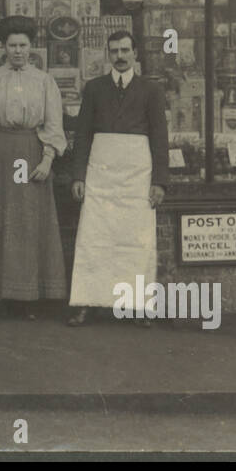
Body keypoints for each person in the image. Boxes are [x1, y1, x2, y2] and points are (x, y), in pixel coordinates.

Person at [0, 16, 67, 320]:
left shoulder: (44, 81)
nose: (18, 51)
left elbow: (53, 123)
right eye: (12, 45)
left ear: (31, 47)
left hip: (32, 152)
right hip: (1, 153)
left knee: (27, 221)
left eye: (23, 45)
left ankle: (28, 296)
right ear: (3, 47)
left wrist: (47, 159)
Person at [67, 31, 169, 326]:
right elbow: (83, 135)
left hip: (137, 173)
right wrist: (78, 175)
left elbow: (160, 138)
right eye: (114, 51)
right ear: (107, 54)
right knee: (94, 237)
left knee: (136, 240)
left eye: (125, 50)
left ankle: (137, 306)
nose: (120, 56)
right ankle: (86, 302)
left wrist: (159, 181)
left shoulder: (151, 90)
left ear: (135, 53)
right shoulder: (95, 88)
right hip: (101, 173)